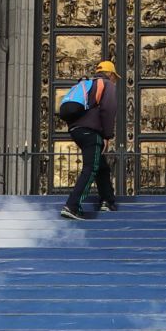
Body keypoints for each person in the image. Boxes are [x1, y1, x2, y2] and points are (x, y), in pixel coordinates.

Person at [61, 53, 120, 219]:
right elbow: (108, 110)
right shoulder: (107, 84)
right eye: (115, 77)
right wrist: (107, 135)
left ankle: (107, 200)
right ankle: (72, 206)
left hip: (76, 130)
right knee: (91, 167)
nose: (115, 80)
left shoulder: (86, 84)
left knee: (101, 166)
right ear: (110, 74)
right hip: (91, 131)